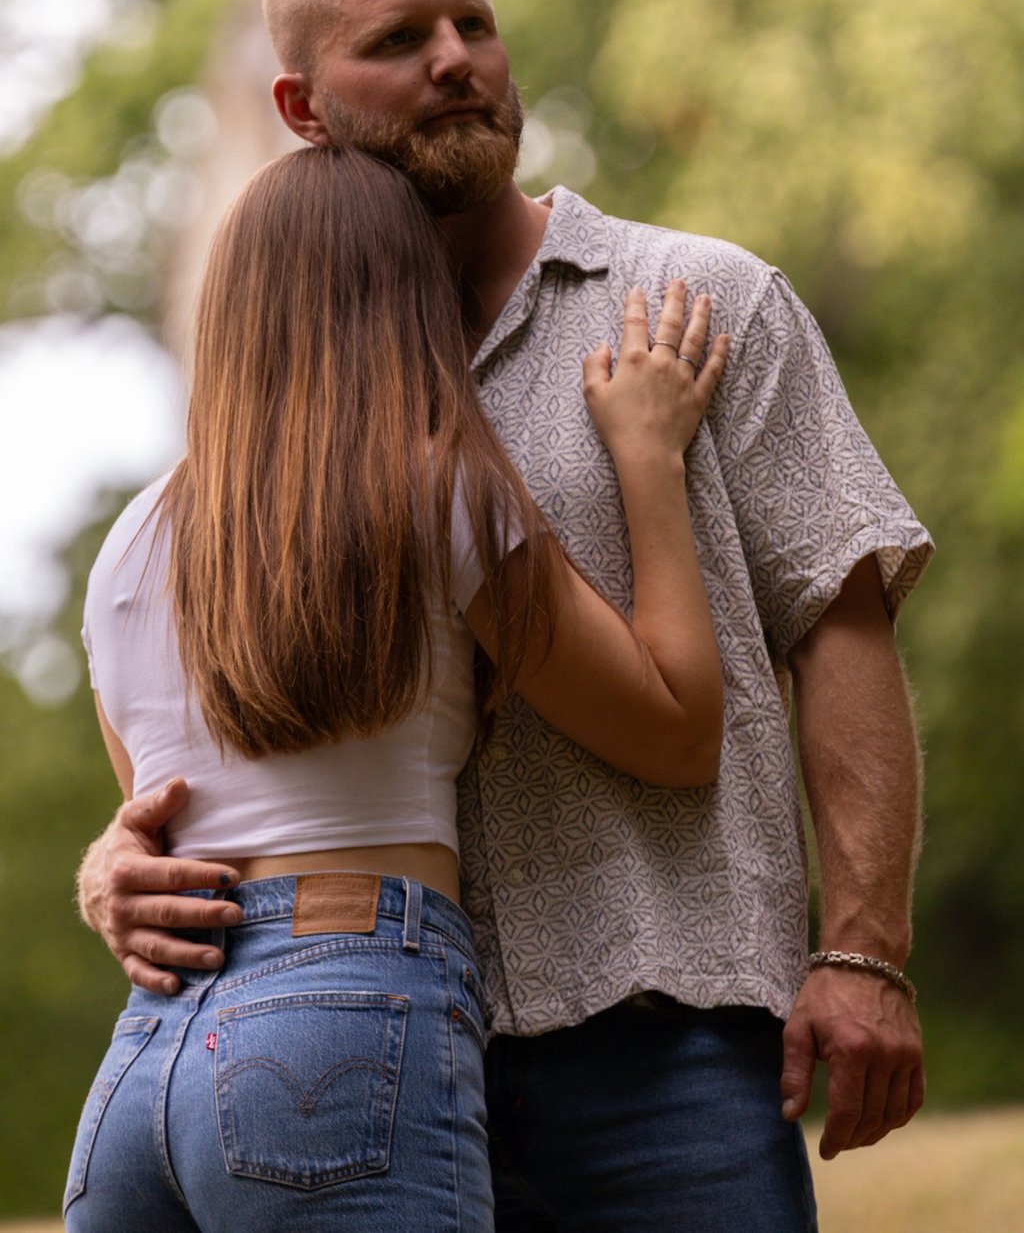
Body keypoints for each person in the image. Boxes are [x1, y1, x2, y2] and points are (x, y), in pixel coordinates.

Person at [77, 0, 933, 1232]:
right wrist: (118, 863)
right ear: (302, 104)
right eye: (400, 39)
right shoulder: (283, 430)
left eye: (475, 23)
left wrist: (865, 946)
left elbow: (841, 616)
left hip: (660, 1054)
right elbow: (227, 737)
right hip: (365, 1054)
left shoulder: (694, 306)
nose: (457, 59)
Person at [65, 141, 728, 1231]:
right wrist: (648, 462)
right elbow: (676, 731)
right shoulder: (438, 489)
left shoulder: (132, 542)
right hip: (341, 1018)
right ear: (412, 300)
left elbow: (149, 815)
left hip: (144, 1066)